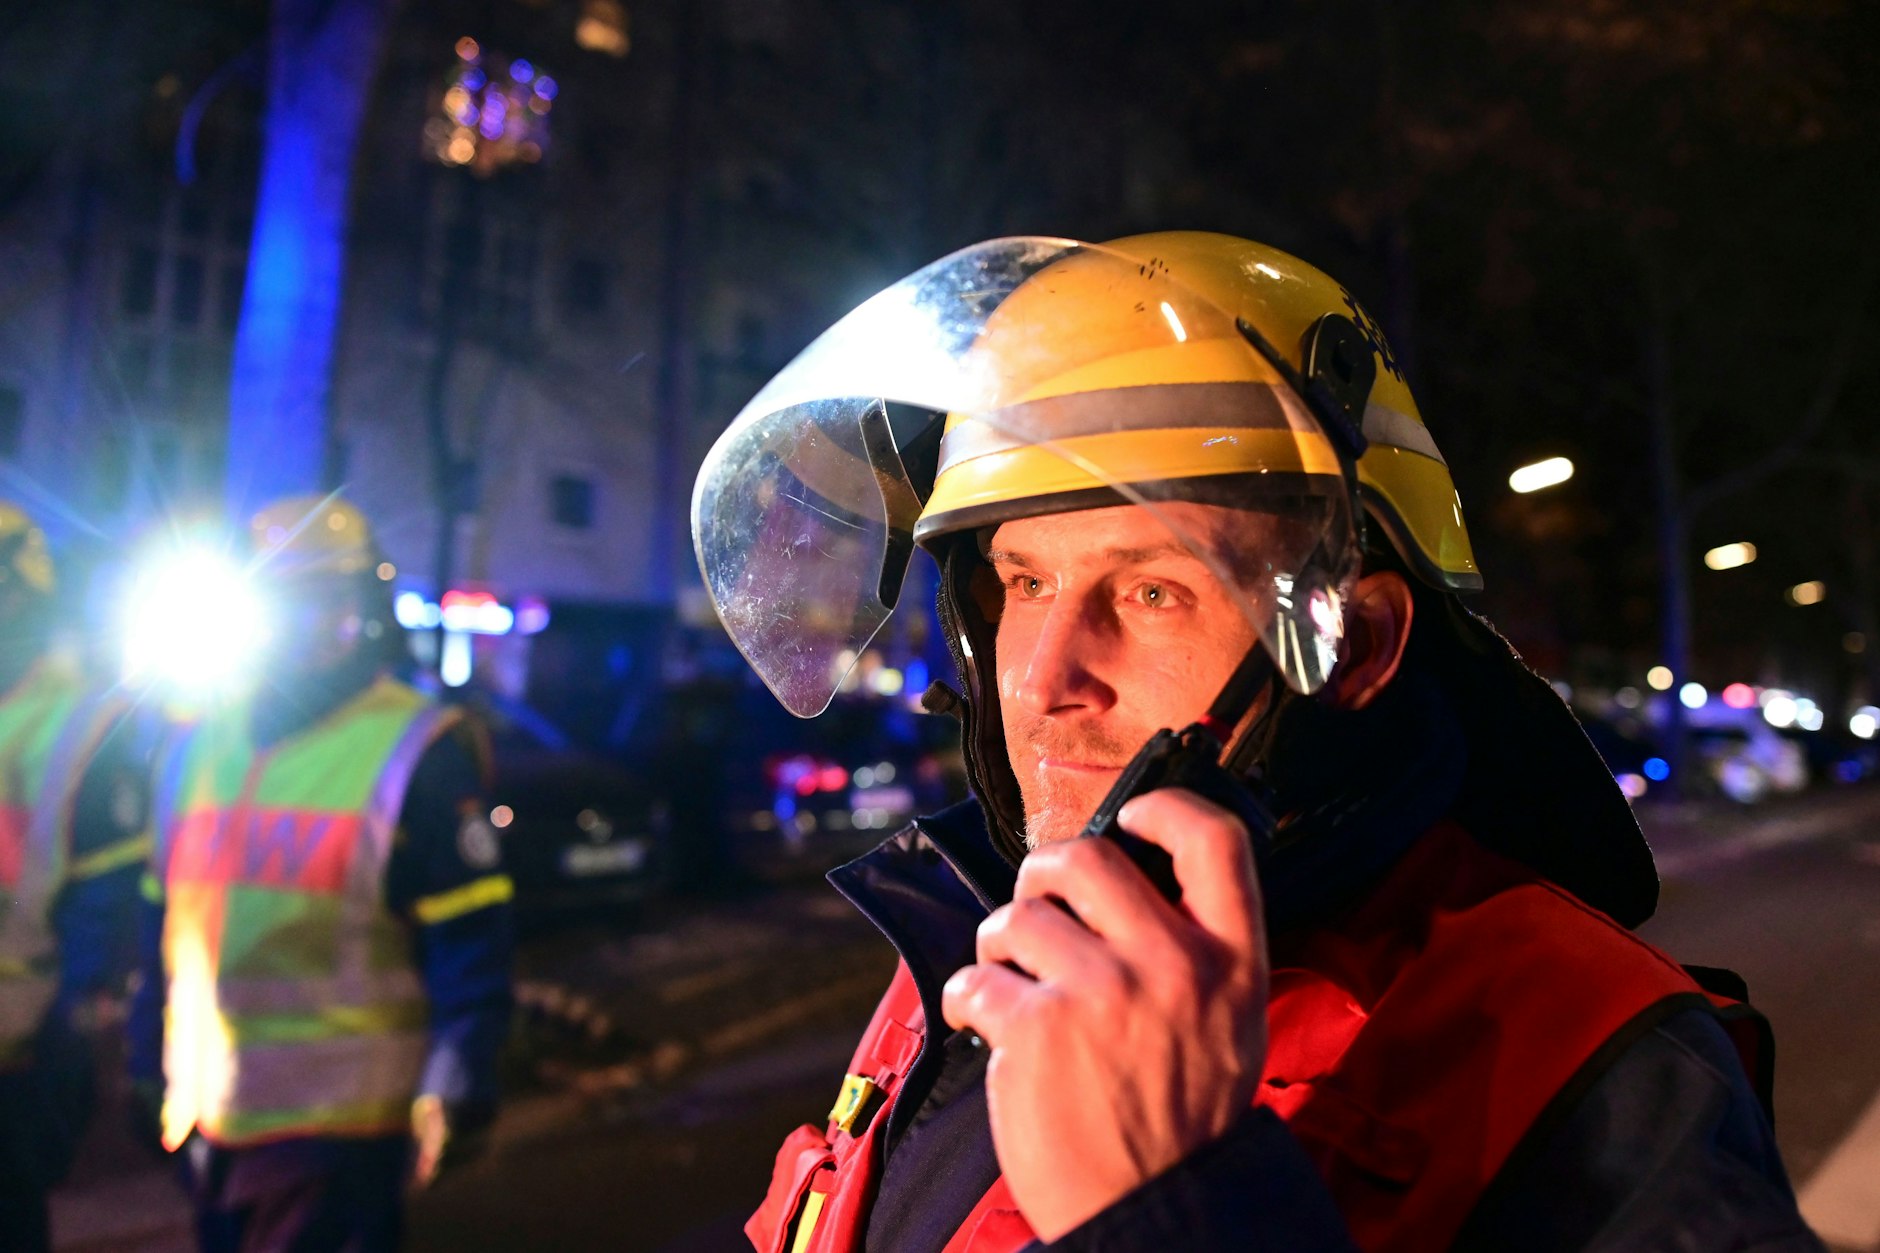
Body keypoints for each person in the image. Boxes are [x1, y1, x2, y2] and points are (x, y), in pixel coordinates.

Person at [691, 233, 1824, 1250]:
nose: (1041, 678)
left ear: (1352, 645)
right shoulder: (970, 934)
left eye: (1150, 591)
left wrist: (1182, 1212)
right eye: (1024, 581)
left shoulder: (1595, 1062)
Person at [128, 495, 514, 1252]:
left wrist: (458, 1075)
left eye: (329, 601)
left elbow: (472, 940)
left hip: (341, 1136)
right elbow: (160, 922)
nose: (306, 625)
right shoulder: (196, 747)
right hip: (207, 1120)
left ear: (364, 610)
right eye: (284, 602)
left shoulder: (418, 749)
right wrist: (146, 1055)